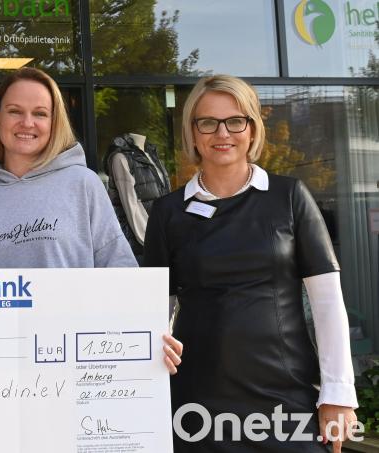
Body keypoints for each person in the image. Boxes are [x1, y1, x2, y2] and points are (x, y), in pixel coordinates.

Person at [143, 74, 358, 452]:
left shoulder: (290, 197)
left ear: (253, 129)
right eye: (207, 122)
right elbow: (154, 309)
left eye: (235, 121)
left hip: (285, 398)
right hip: (197, 402)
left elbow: (327, 303)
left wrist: (338, 394)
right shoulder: (167, 213)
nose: (221, 133)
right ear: (192, 133)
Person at [0, 67, 182, 373]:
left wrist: (148, 339)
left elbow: (120, 273)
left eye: (40, 113)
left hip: (74, 365)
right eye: (14, 111)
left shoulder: (83, 184)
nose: (27, 123)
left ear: (54, 121)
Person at [104, 132, 171, 263]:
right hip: (141, 246)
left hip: (162, 239)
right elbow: (132, 207)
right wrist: (153, 243)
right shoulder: (121, 158)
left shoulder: (151, 155)